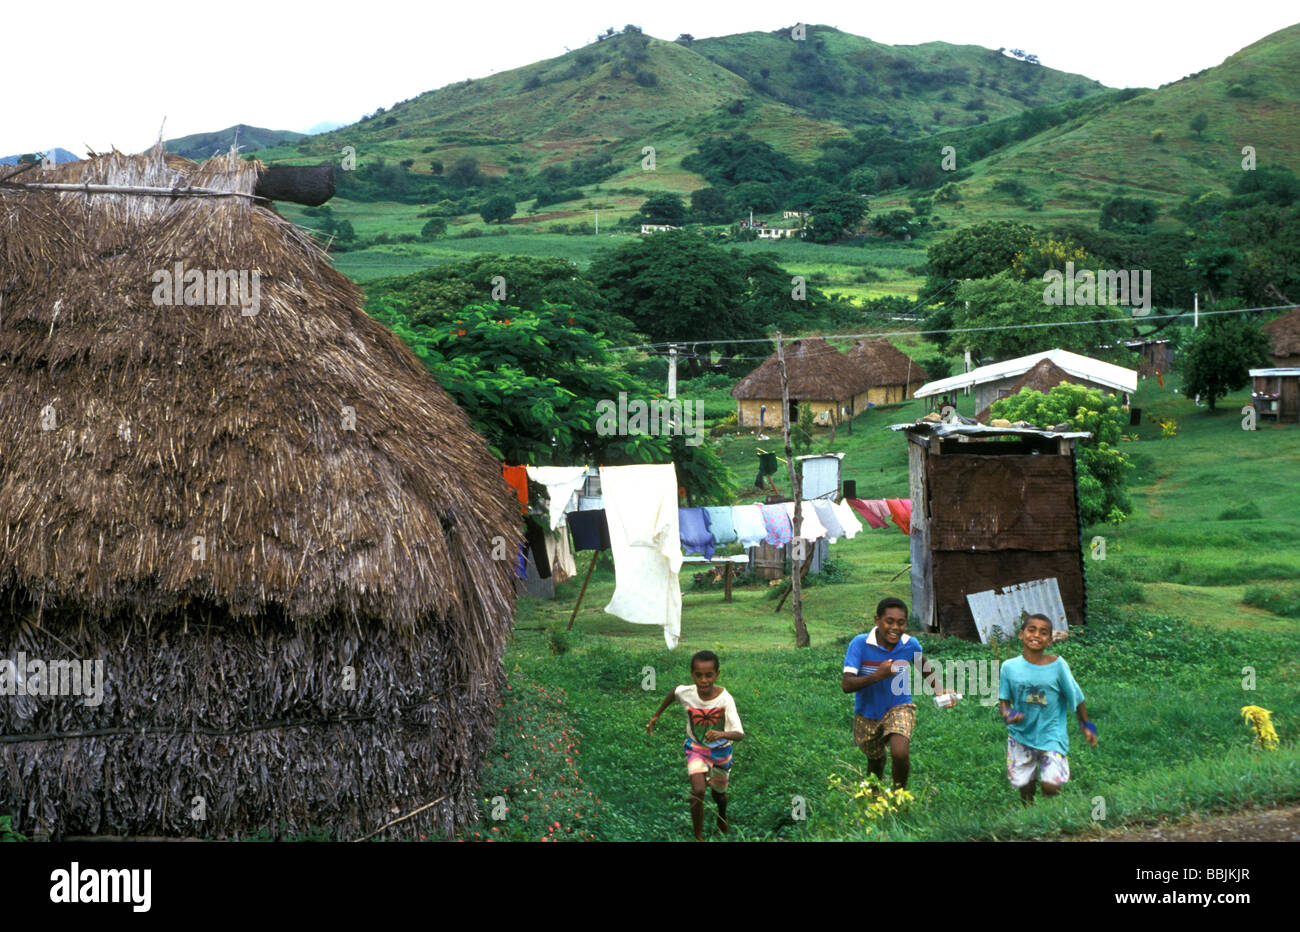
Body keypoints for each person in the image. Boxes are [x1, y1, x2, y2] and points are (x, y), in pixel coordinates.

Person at [841, 597, 955, 789]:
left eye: (901, 623)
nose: (895, 628)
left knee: (900, 752)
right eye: (889, 621)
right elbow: (847, 685)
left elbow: (924, 667)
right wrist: (878, 675)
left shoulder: (910, 645)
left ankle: (899, 795)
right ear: (877, 621)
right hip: (867, 713)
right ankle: (875, 797)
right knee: (875, 761)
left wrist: (940, 692)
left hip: (899, 705)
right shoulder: (859, 644)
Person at [998, 613, 1097, 805]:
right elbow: (1004, 700)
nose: (1036, 635)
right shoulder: (1009, 667)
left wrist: (1086, 725)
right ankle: (1030, 813)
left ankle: (1051, 810)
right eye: (1031, 630)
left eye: (1043, 633)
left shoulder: (1058, 666)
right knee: (1025, 785)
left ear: (1050, 640)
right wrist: (1007, 712)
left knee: (1050, 786)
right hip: (1021, 735)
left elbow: (1076, 697)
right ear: (1021, 634)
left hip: (1051, 733)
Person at [646, 650, 745, 841]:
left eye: (709, 675)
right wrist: (657, 715)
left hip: (721, 752)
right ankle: (698, 837)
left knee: (719, 795)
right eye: (698, 675)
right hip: (696, 749)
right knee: (698, 791)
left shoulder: (725, 700)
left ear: (717, 674)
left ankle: (722, 813)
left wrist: (721, 733)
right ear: (692, 674)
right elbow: (674, 693)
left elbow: (739, 734)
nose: (704, 680)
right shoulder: (686, 693)